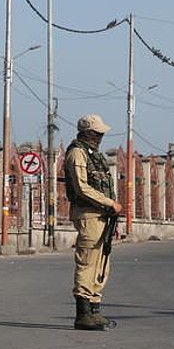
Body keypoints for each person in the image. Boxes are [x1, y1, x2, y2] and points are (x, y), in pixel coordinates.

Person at [64, 114, 123, 330]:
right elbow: (81, 187)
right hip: (88, 215)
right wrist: (110, 203)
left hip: (103, 216)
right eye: (97, 133)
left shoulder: (94, 155)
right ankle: (83, 314)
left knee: (102, 265)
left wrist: (111, 211)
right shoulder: (77, 153)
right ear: (87, 132)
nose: (100, 137)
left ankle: (95, 309)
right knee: (87, 263)